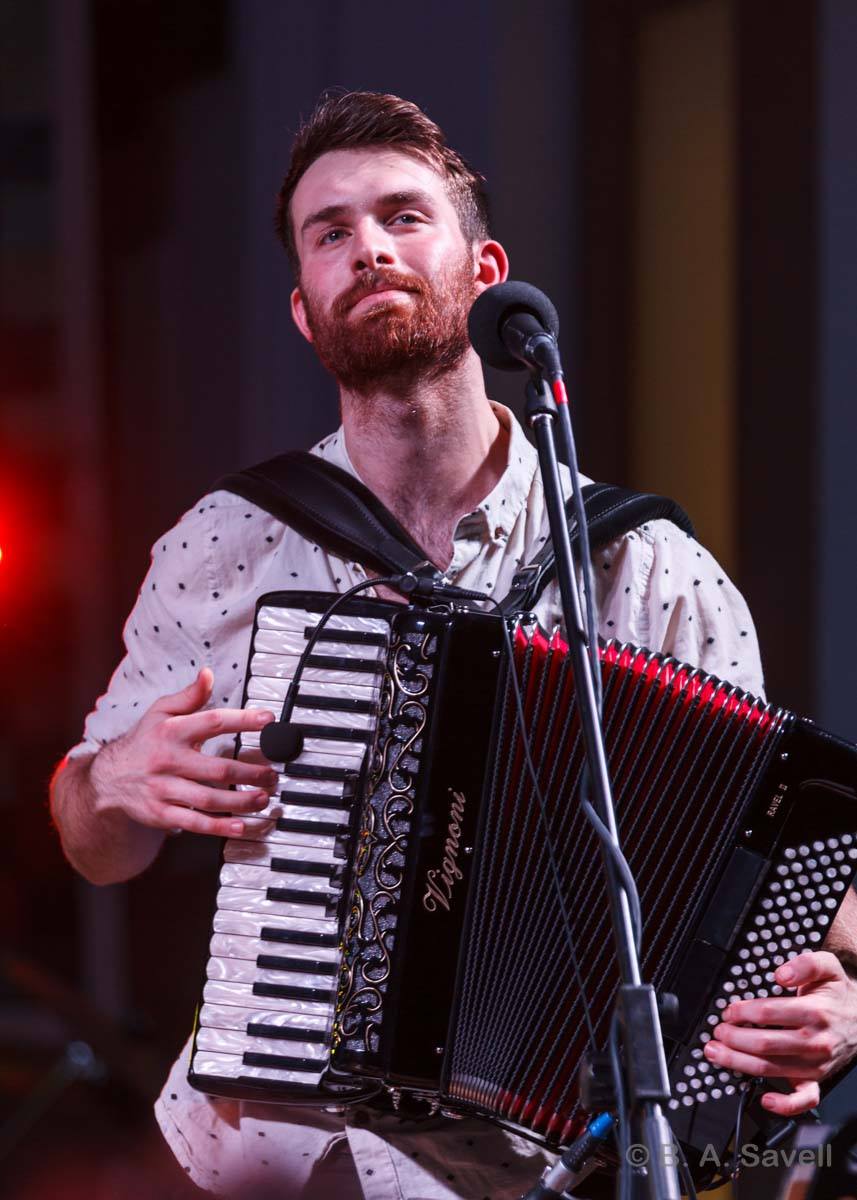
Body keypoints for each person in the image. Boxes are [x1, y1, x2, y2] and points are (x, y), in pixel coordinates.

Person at [51, 91, 857, 1199]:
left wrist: (841, 995)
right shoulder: (228, 542)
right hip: (269, 1154)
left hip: (540, 1166)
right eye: (329, 233)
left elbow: (761, 859)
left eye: (401, 216)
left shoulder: (640, 567)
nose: (367, 247)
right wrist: (110, 783)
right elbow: (95, 841)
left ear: (483, 270)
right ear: (303, 309)